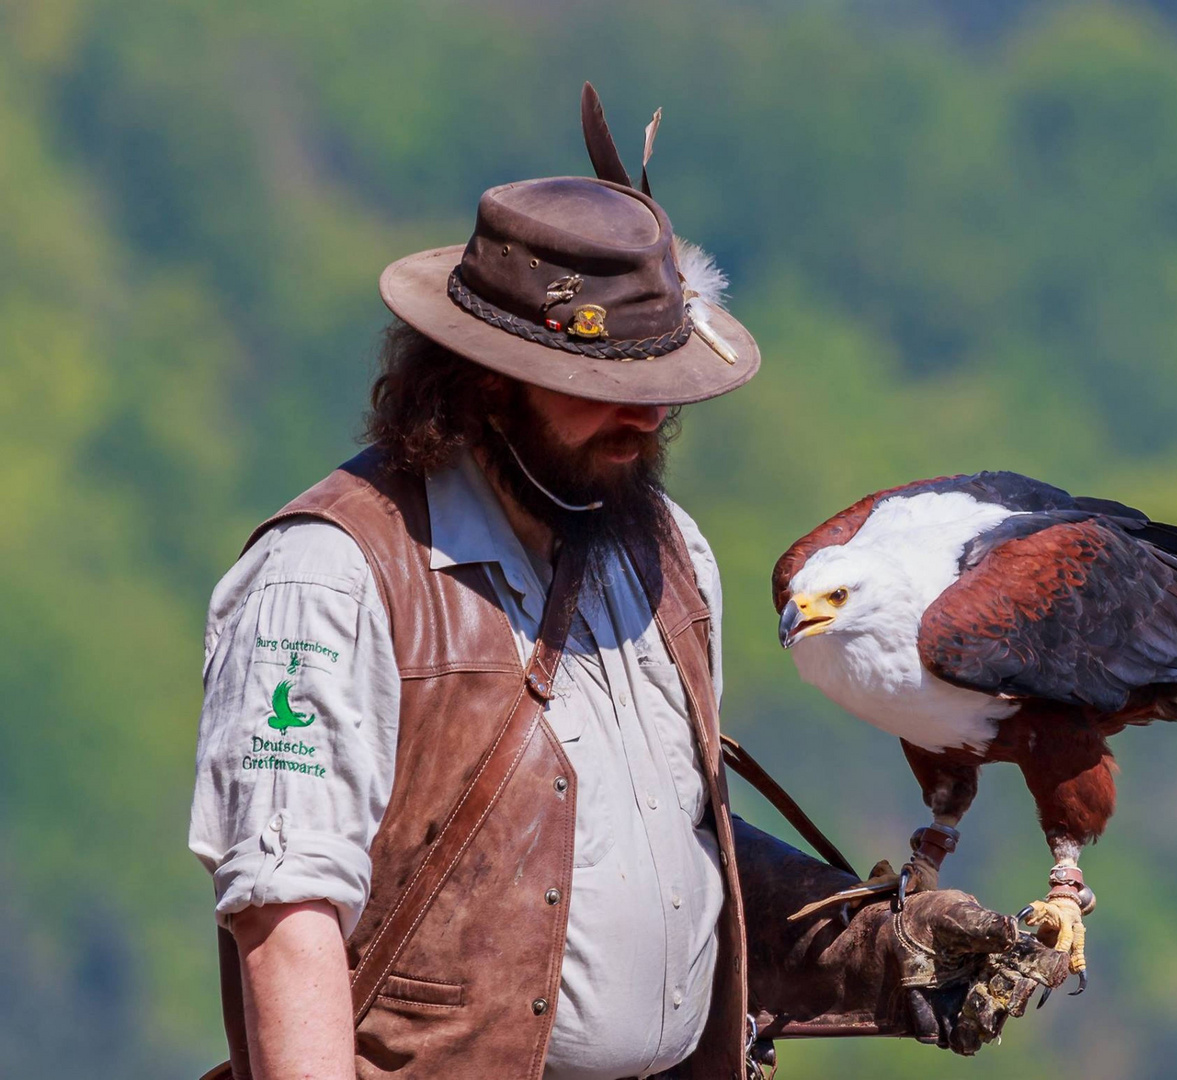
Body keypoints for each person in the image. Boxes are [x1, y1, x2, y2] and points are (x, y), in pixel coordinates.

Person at [188, 90, 1066, 1080]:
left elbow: (654, 840)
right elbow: (286, 918)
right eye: (604, 390)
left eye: (656, 385)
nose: (645, 420)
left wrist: (870, 953)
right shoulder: (329, 577)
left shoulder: (667, 554)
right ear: (483, 381)